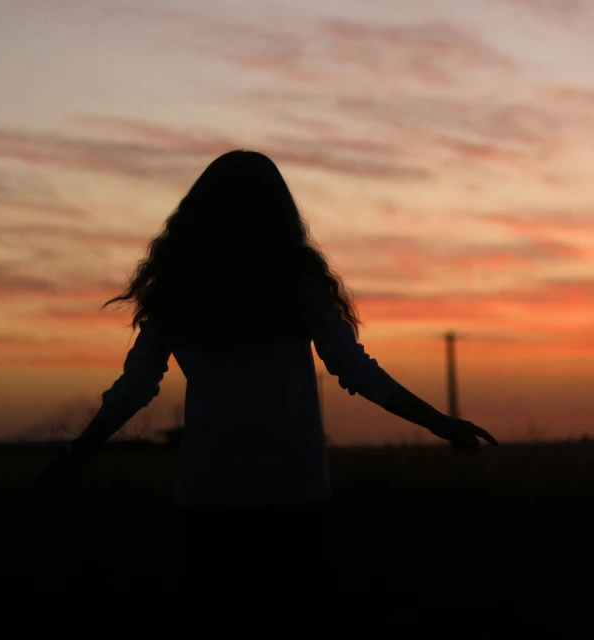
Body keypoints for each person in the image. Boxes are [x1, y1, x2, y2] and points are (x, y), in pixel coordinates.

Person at [40, 150, 497, 604]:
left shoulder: (179, 288)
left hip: (208, 494)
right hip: (293, 490)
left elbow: (134, 388)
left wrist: (79, 452)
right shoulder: (296, 281)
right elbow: (355, 368)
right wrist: (439, 422)